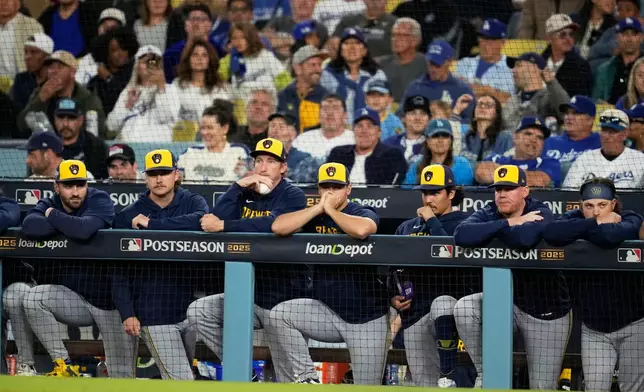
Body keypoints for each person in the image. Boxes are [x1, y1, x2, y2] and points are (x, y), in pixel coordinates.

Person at [186, 138, 306, 370]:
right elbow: (217, 216)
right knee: (199, 310)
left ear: (283, 167)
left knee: (286, 373)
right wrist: (237, 187)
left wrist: (225, 226)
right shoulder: (244, 190)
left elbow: (272, 225)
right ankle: (239, 368)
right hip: (245, 296)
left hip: (284, 301)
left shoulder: (293, 195)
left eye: (271, 161)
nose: (262, 167)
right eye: (259, 161)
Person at [453, 164, 571, 389]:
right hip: (506, 305)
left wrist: (492, 230)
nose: (502, 194)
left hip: (545, 310)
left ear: (525, 191)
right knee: (465, 308)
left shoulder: (541, 210)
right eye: (498, 189)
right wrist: (508, 222)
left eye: (509, 188)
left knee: (541, 387)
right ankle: (484, 372)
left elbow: (523, 241)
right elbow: (461, 235)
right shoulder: (490, 211)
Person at [268, 162, 383, 384]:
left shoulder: (359, 210)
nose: (330, 192)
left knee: (368, 386)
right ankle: (307, 378)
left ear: (348, 189)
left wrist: (330, 209)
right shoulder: (314, 214)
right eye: (325, 187)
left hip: (366, 318)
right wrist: (318, 209)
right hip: (327, 312)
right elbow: (278, 227)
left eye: (336, 187)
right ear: (318, 189)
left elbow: (363, 230)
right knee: (280, 315)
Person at [20, 160, 137, 378]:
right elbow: (30, 226)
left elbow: (84, 230)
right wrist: (69, 223)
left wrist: (53, 216)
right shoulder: (50, 201)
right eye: (68, 185)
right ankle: (64, 366)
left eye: (80, 185)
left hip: (110, 302)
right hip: (74, 299)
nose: (75, 192)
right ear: (57, 186)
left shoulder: (99, 199)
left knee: (122, 376)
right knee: (33, 298)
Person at [112, 149, 209, 380]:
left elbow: (201, 220)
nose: (159, 179)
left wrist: (152, 224)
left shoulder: (192, 201)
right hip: (153, 315)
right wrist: (127, 313)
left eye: (164, 172)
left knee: (191, 377)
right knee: (181, 381)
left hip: (191, 311)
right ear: (145, 177)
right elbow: (117, 271)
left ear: (176, 174)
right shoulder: (129, 216)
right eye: (153, 173)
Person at [543, 178, 644, 392]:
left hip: (634, 324)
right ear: (581, 205)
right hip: (594, 329)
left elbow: (610, 236)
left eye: (602, 205)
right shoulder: (574, 218)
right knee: (595, 388)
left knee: (633, 389)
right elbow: (552, 233)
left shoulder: (631, 217)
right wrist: (594, 223)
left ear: (613, 203)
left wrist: (581, 230)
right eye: (589, 206)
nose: (595, 211)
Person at [392, 164, 479, 388]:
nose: (428, 198)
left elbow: (451, 255)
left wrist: (431, 220)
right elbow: (392, 267)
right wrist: (392, 296)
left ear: (451, 194)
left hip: (452, 317)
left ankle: (450, 373)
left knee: (456, 382)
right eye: (425, 192)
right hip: (414, 314)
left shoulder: (466, 223)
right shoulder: (406, 226)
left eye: (435, 192)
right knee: (425, 384)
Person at [18, 50, 107, 139]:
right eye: (50, 67)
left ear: (72, 72)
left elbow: (98, 133)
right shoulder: (40, 93)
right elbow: (21, 126)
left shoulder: (88, 99)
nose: (53, 71)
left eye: (59, 67)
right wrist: (40, 99)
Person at [107, 45, 180, 142]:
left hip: (157, 148)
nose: (150, 65)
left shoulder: (170, 89)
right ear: (137, 66)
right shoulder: (128, 91)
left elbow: (167, 118)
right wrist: (127, 105)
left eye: (154, 62)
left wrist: (161, 88)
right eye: (146, 61)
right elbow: (111, 126)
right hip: (128, 149)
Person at [220, 22, 291, 117]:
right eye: (234, 38)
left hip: (267, 110)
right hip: (242, 113)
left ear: (250, 37)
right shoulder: (230, 59)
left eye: (242, 37)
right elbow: (217, 77)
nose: (238, 42)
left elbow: (285, 81)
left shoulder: (265, 56)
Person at [564, 108, 644, 188]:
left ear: (624, 134)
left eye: (612, 131)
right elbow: (569, 193)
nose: (606, 136)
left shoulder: (639, 160)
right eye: (604, 130)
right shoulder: (584, 160)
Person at [320, 28, 387, 124]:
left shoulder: (376, 75)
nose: (352, 47)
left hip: (371, 127)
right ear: (341, 51)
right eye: (347, 43)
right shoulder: (328, 74)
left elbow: (385, 106)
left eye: (357, 43)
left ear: (364, 50)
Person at [327, 107, 407, 185]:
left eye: (369, 126)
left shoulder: (392, 155)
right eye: (359, 126)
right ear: (353, 131)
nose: (364, 131)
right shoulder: (338, 154)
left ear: (379, 132)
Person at [400, 40, 475, 122]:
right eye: (431, 63)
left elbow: (471, 120)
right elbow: (401, 115)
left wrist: (448, 122)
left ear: (449, 62)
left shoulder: (462, 90)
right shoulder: (415, 88)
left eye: (438, 65)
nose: (433, 69)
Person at [476, 116, 561, 187]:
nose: (534, 140)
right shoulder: (496, 158)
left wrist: (501, 172)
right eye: (528, 134)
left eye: (540, 137)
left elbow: (539, 180)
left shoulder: (550, 162)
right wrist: (525, 176)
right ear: (515, 137)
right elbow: (482, 172)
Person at [0, 197, 31, 376]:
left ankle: (26, 365)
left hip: (8, 286)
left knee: (16, 295)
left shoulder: (7, 204)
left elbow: (7, 218)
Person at [178, 106, 250, 182]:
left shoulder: (239, 152)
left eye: (210, 128)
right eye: (202, 128)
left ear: (225, 128)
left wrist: (247, 174)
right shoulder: (190, 153)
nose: (204, 132)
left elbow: (252, 176)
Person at [503, 52, 570, 129]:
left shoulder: (549, 98)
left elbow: (566, 111)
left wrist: (552, 83)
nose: (513, 70)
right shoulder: (511, 101)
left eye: (518, 65)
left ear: (535, 69)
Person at [455, 18, 515, 99]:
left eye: (490, 40)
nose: (484, 44)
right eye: (482, 38)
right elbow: (451, 88)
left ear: (502, 43)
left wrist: (485, 90)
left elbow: (508, 99)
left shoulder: (509, 69)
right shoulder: (465, 62)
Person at [173, 39, 231, 123]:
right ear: (189, 59)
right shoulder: (177, 85)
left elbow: (224, 118)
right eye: (195, 54)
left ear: (209, 60)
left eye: (204, 55)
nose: (199, 58)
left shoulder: (220, 88)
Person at [403, 119, 474, 186]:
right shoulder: (416, 167)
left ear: (451, 140)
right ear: (427, 141)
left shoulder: (462, 164)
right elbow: (408, 194)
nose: (440, 140)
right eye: (435, 136)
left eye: (445, 136)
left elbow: (464, 194)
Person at [86, 27, 139, 115]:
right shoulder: (95, 82)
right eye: (114, 50)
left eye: (124, 48)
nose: (121, 54)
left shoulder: (135, 73)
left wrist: (108, 78)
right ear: (105, 53)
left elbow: (125, 98)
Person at [277, 45, 329, 133]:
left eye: (319, 65)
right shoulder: (283, 96)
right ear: (298, 68)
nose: (318, 69)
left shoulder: (326, 98)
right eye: (313, 65)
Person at [543, 95, 601, 174]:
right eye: (566, 113)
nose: (568, 117)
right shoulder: (548, 142)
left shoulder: (601, 143)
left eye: (576, 113)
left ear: (590, 120)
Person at [53, 98, 108, 179]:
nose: (65, 124)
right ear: (55, 120)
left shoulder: (96, 146)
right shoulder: (49, 146)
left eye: (71, 118)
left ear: (80, 120)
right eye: (61, 118)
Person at [593, 17, 644, 104]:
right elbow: (596, 99)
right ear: (617, 37)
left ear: (641, 37)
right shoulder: (604, 69)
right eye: (625, 34)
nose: (629, 39)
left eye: (634, 34)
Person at [541, 14, 593, 97]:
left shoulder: (581, 67)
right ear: (549, 38)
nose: (568, 39)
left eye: (571, 34)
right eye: (563, 35)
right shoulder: (537, 63)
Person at [292, 93, 356, 160]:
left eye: (335, 108)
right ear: (319, 116)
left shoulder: (355, 140)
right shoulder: (303, 139)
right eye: (325, 108)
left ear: (345, 116)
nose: (330, 112)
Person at [378, 17, 427, 102]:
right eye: (393, 35)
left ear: (415, 40)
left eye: (402, 35)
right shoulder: (381, 64)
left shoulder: (427, 65)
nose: (395, 39)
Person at [75, 8, 127, 86]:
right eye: (105, 28)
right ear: (98, 30)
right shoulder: (87, 60)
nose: (108, 32)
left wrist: (108, 78)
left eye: (113, 28)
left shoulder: (130, 60)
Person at [329, 0, 397, 58]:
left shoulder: (394, 23)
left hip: (383, 68)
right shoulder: (349, 20)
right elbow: (333, 44)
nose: (374, 1)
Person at [460, 94, 514, 166]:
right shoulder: (465, 136)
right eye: (479, 104)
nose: (482, 107)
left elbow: (510, 165)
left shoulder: (505, 137)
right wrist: (457, 110)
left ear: (496, 113)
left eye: (488, 105)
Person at [267, 111, 319, 183]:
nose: (275, 130)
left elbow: (301, 183)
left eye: (281, 127)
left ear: (293, 134)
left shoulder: (306, 160)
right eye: (272, 126)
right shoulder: (256, 157)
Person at [0, 0, 43, 78]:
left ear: (18, 4)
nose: (3, 3)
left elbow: (39, 62)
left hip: (22, 85)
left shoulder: (32, 27)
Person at [11, 33, 53, 110]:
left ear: (47, 56)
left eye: (33, 52)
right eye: (26, 52)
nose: (27, 57)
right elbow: (17, 111)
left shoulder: (56, 80)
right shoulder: (21, 79)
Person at [385, 95, 431, 163]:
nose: (418, 118)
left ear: (429, 119)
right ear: (403, 118)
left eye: (423, 114)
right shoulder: (389, 144)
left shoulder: (433, 146)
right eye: (413, 113)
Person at [517, 0, 585, 40]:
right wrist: (527, 54)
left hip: (568, 51)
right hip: (540, 50)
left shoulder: (580, 2)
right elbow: (526, 27)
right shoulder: (533, 1)